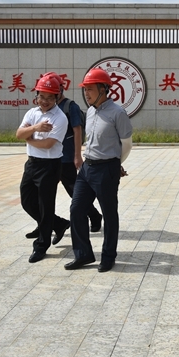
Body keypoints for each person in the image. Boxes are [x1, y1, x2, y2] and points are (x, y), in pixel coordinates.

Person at [64, 68, 133, 273]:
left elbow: (127, 144)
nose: (86, 93)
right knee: (76, 209)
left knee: (109, 214)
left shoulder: (117, 113)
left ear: (103, 89)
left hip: (106, 169)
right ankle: (83, 254)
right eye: (85, 89)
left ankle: (108, 256)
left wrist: (116, 163)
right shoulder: (91, 111)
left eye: (90, 89)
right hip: (87, 168)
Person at [16, 73, 70, 263]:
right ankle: (59, 224)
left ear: (57, 97)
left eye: (50, 97)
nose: (45, 101)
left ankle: (41, 245)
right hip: (32, 163)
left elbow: (48, 144)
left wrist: (29, 139)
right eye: (42, 96)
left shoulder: (60, 118)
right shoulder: (32, 113)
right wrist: (35, 128)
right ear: (36, 95)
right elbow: (19, 133)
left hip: (49, 166)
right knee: (27, 201)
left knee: (46, 207)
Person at [51, 72, 103, 233]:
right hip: (51, 158)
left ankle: (95, 216)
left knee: (74, 192)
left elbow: (77, 130)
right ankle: (45, 224)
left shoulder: (70, 106)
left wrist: (77, 155)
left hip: (66, 158)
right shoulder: (50, 106)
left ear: (60, 89)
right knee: (44, 193)